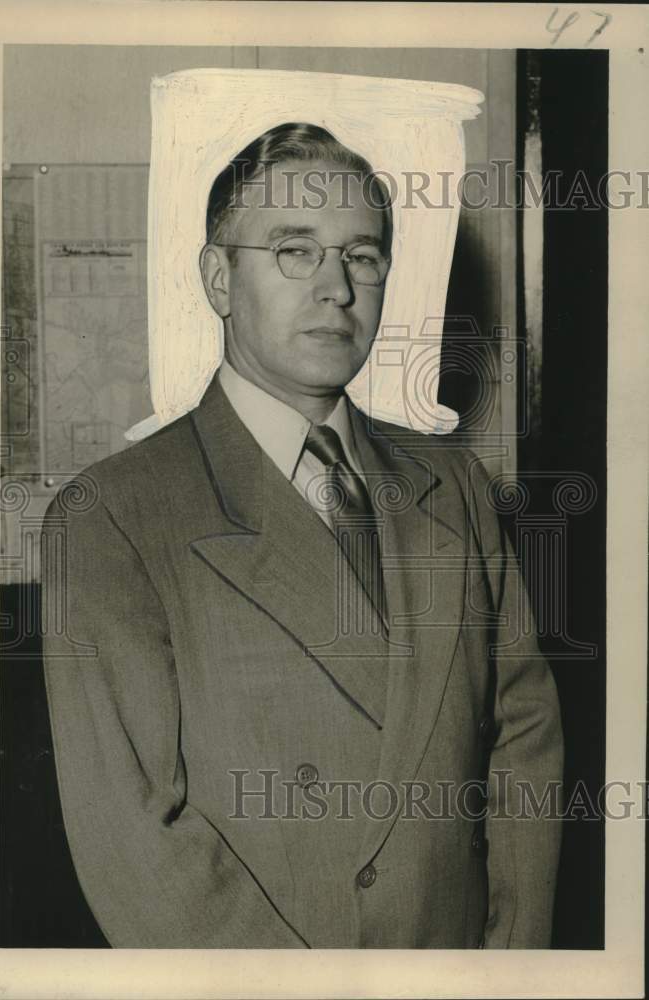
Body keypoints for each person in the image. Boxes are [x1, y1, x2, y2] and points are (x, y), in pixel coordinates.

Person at [41, 122, 563, 949]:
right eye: (294, 250)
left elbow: (521, 742)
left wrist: (507, 967)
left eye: (362, 256)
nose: (337, 289)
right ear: (218, 276)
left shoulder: (455, 486)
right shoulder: (113, 512)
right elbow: (133, 837)